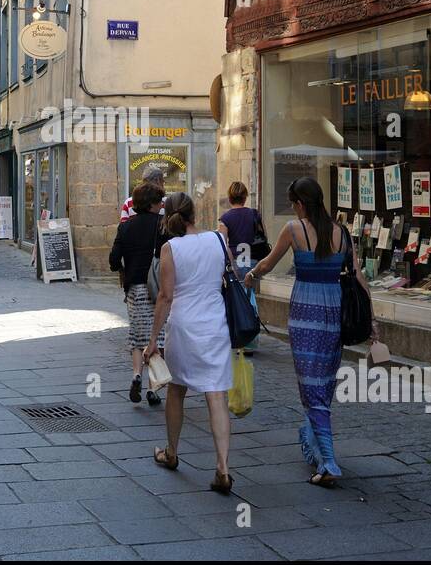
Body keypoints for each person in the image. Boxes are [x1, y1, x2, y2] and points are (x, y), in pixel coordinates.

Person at [243, 176, 374, 488]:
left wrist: (250, 276)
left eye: (293, 203)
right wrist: (372, 319)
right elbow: (357, 275)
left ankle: (328, 461)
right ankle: (314, 441)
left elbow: (269, 264)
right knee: (324, 382)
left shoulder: (294, 230)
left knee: (310, 386)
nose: (293, 208)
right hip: (333, 314)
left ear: (300, 203)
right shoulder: (341, 232)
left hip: (305, 313)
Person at [146, 192, 234, 494]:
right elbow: (227, 273)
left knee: (176, 390)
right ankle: (222, 466)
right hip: (214, 325)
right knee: (216, 395)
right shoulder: (218, 239)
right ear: (194, 213)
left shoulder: (171, 248)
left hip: (184, 326)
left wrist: (152, 340)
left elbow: (165, 296)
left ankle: (171, 452)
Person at [109, 181, 167, 405]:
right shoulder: (163, 225)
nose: (162, 204)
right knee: (157, 335)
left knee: (136, 335)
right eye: (160, 200)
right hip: (159, 287)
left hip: (135, 288)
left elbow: (113, 260)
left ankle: (136, 375)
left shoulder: (125, 227)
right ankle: (154, 387)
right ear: (152, 203)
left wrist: (123, 270)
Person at [218, 181, 265, 353]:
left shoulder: (226, 218)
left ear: (230, 198)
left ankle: (239, 335)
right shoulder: (254, 214)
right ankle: (251, 339)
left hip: (236, 260)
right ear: (245, 197)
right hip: (253, 260)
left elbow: (222, 243)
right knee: (251, 296)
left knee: (236, 299)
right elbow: (262, 235)